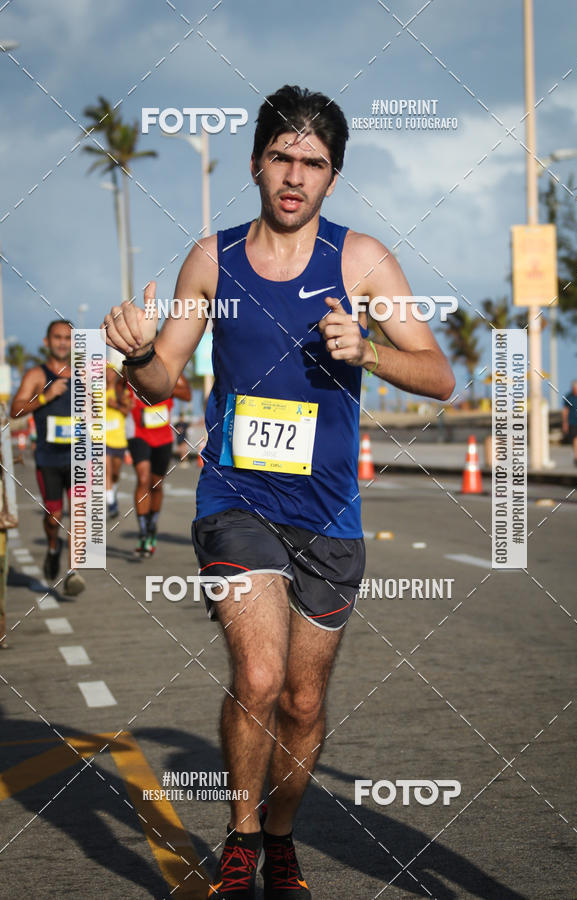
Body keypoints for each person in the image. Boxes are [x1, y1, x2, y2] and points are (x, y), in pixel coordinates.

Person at [103, 84, 455, 899]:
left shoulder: (362, 260)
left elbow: (437, 375)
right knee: (258, 679)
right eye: (283, 159)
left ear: (333, 177)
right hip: (237, 502)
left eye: (315, 164)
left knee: (301, 700)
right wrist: (136, 354)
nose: (296, 176)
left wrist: (367, 349)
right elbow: (162, 382)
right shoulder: (212, 258)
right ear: (257, 163)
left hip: (330, 515)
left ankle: (283, 837)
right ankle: (241, 837)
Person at [10, 320, 85, 596]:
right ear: (47, 342)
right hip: (48, 459)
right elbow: (15, 411)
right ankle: (53, 547)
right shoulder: (36, 375)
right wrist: (46, 396)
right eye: (57, 337)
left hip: (78, 458)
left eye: (68, 337)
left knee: (78, 515)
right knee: (54, 517)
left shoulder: (83, 375)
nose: (63, 342)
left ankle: (73, 571)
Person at [125, 373, 191, 557]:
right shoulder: (129, 369)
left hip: (162, 437)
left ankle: (152, 524)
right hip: (138, 434)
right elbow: (114, 387)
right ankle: (143, 530)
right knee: (143, 478)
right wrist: (123, 402)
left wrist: (161, 383)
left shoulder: (170, 369)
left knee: (156, 484)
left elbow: (187, 395)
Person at [105, 358, 130, 519]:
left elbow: (127, 411)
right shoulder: (97, 391)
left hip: (119, 439)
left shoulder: (121, 392)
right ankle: (111, 504)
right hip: (101, 439)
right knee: (105, 471)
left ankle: (112, 494)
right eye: (106, 372)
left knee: (115, 473)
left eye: (111, 372)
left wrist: (116, 406)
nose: (108, 375)